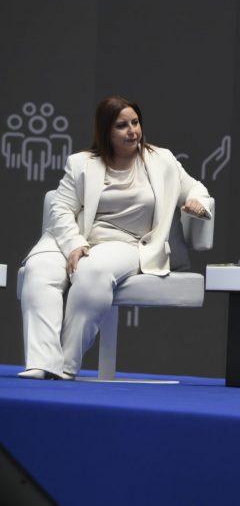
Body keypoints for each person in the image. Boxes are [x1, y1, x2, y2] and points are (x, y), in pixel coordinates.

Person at [18, 95, 212, 380]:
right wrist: (74, 244)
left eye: (135, 123)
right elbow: (60, 208)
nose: (132, 131)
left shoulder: (162, 160)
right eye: (122, 126)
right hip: (77, 237)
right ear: (105, 131)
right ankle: (42, 362)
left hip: (126, 243)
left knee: (91, 271)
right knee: (39, 268)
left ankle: (66, 365)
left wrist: (197, 202)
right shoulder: (81, 163)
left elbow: (196, 189)